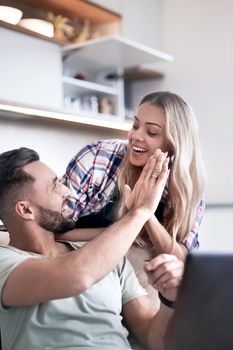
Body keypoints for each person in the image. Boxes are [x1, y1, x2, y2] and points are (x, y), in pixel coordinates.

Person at [0, 147, 184, 350]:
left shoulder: (111, 259)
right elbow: (78, 275)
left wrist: (169, 300)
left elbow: (155, 340)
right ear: (25, 210)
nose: (67, 191)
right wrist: (139, 213)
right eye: (54, 186)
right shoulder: (5, 262)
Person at [62, 91, 205, 261]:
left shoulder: (188, 185)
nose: (135, 136)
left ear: (175, 144)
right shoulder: (97, 158)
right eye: (135, 126)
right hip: (80, 258)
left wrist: (145, 213)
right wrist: (134, 231)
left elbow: (181, 258)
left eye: (151, 132)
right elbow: (54, 234)